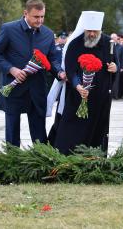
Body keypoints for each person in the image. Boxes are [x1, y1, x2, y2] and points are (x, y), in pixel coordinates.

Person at [0, 0, 65, 147]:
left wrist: (60, 73)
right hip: (13, 87)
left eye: (42, 16)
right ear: (25, 13)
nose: (40, 20)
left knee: (39, 133)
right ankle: (12, 161)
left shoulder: (48, 34)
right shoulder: (8, 29)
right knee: (12, 130)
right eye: (36, 17)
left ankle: (40, 161)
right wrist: (12, 69)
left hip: (37, 89)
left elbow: (53, 59)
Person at [48, 11, 117, 155]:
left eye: (95, 31)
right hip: (77, 97)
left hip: (100, 98)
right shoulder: (75, 44)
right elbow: (71, 70)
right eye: (89, 31)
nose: (92, 34)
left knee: (97, 131)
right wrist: (78, 87)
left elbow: (116, 64)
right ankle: (67, 158)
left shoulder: (108, 43)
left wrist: (115, 67)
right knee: (72, 130)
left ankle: (94, 158)